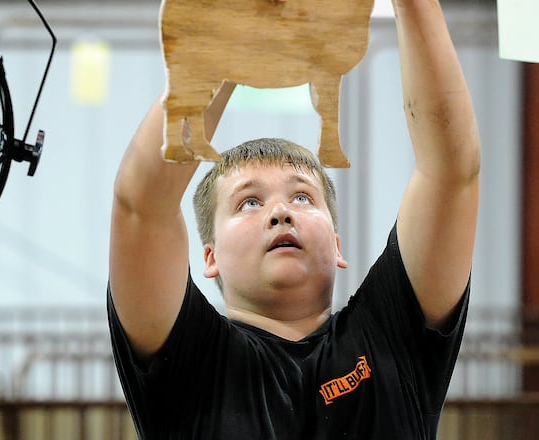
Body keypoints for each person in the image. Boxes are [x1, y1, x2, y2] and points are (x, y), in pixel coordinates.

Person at [107, 0, 481, 438]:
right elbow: (140, 208)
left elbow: (452, 172)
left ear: (338, 245)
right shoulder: (191, 360)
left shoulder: (391, 336)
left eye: (302, 197)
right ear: (210, 257)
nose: (280, 212)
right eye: (249, 202)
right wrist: (233, 38)